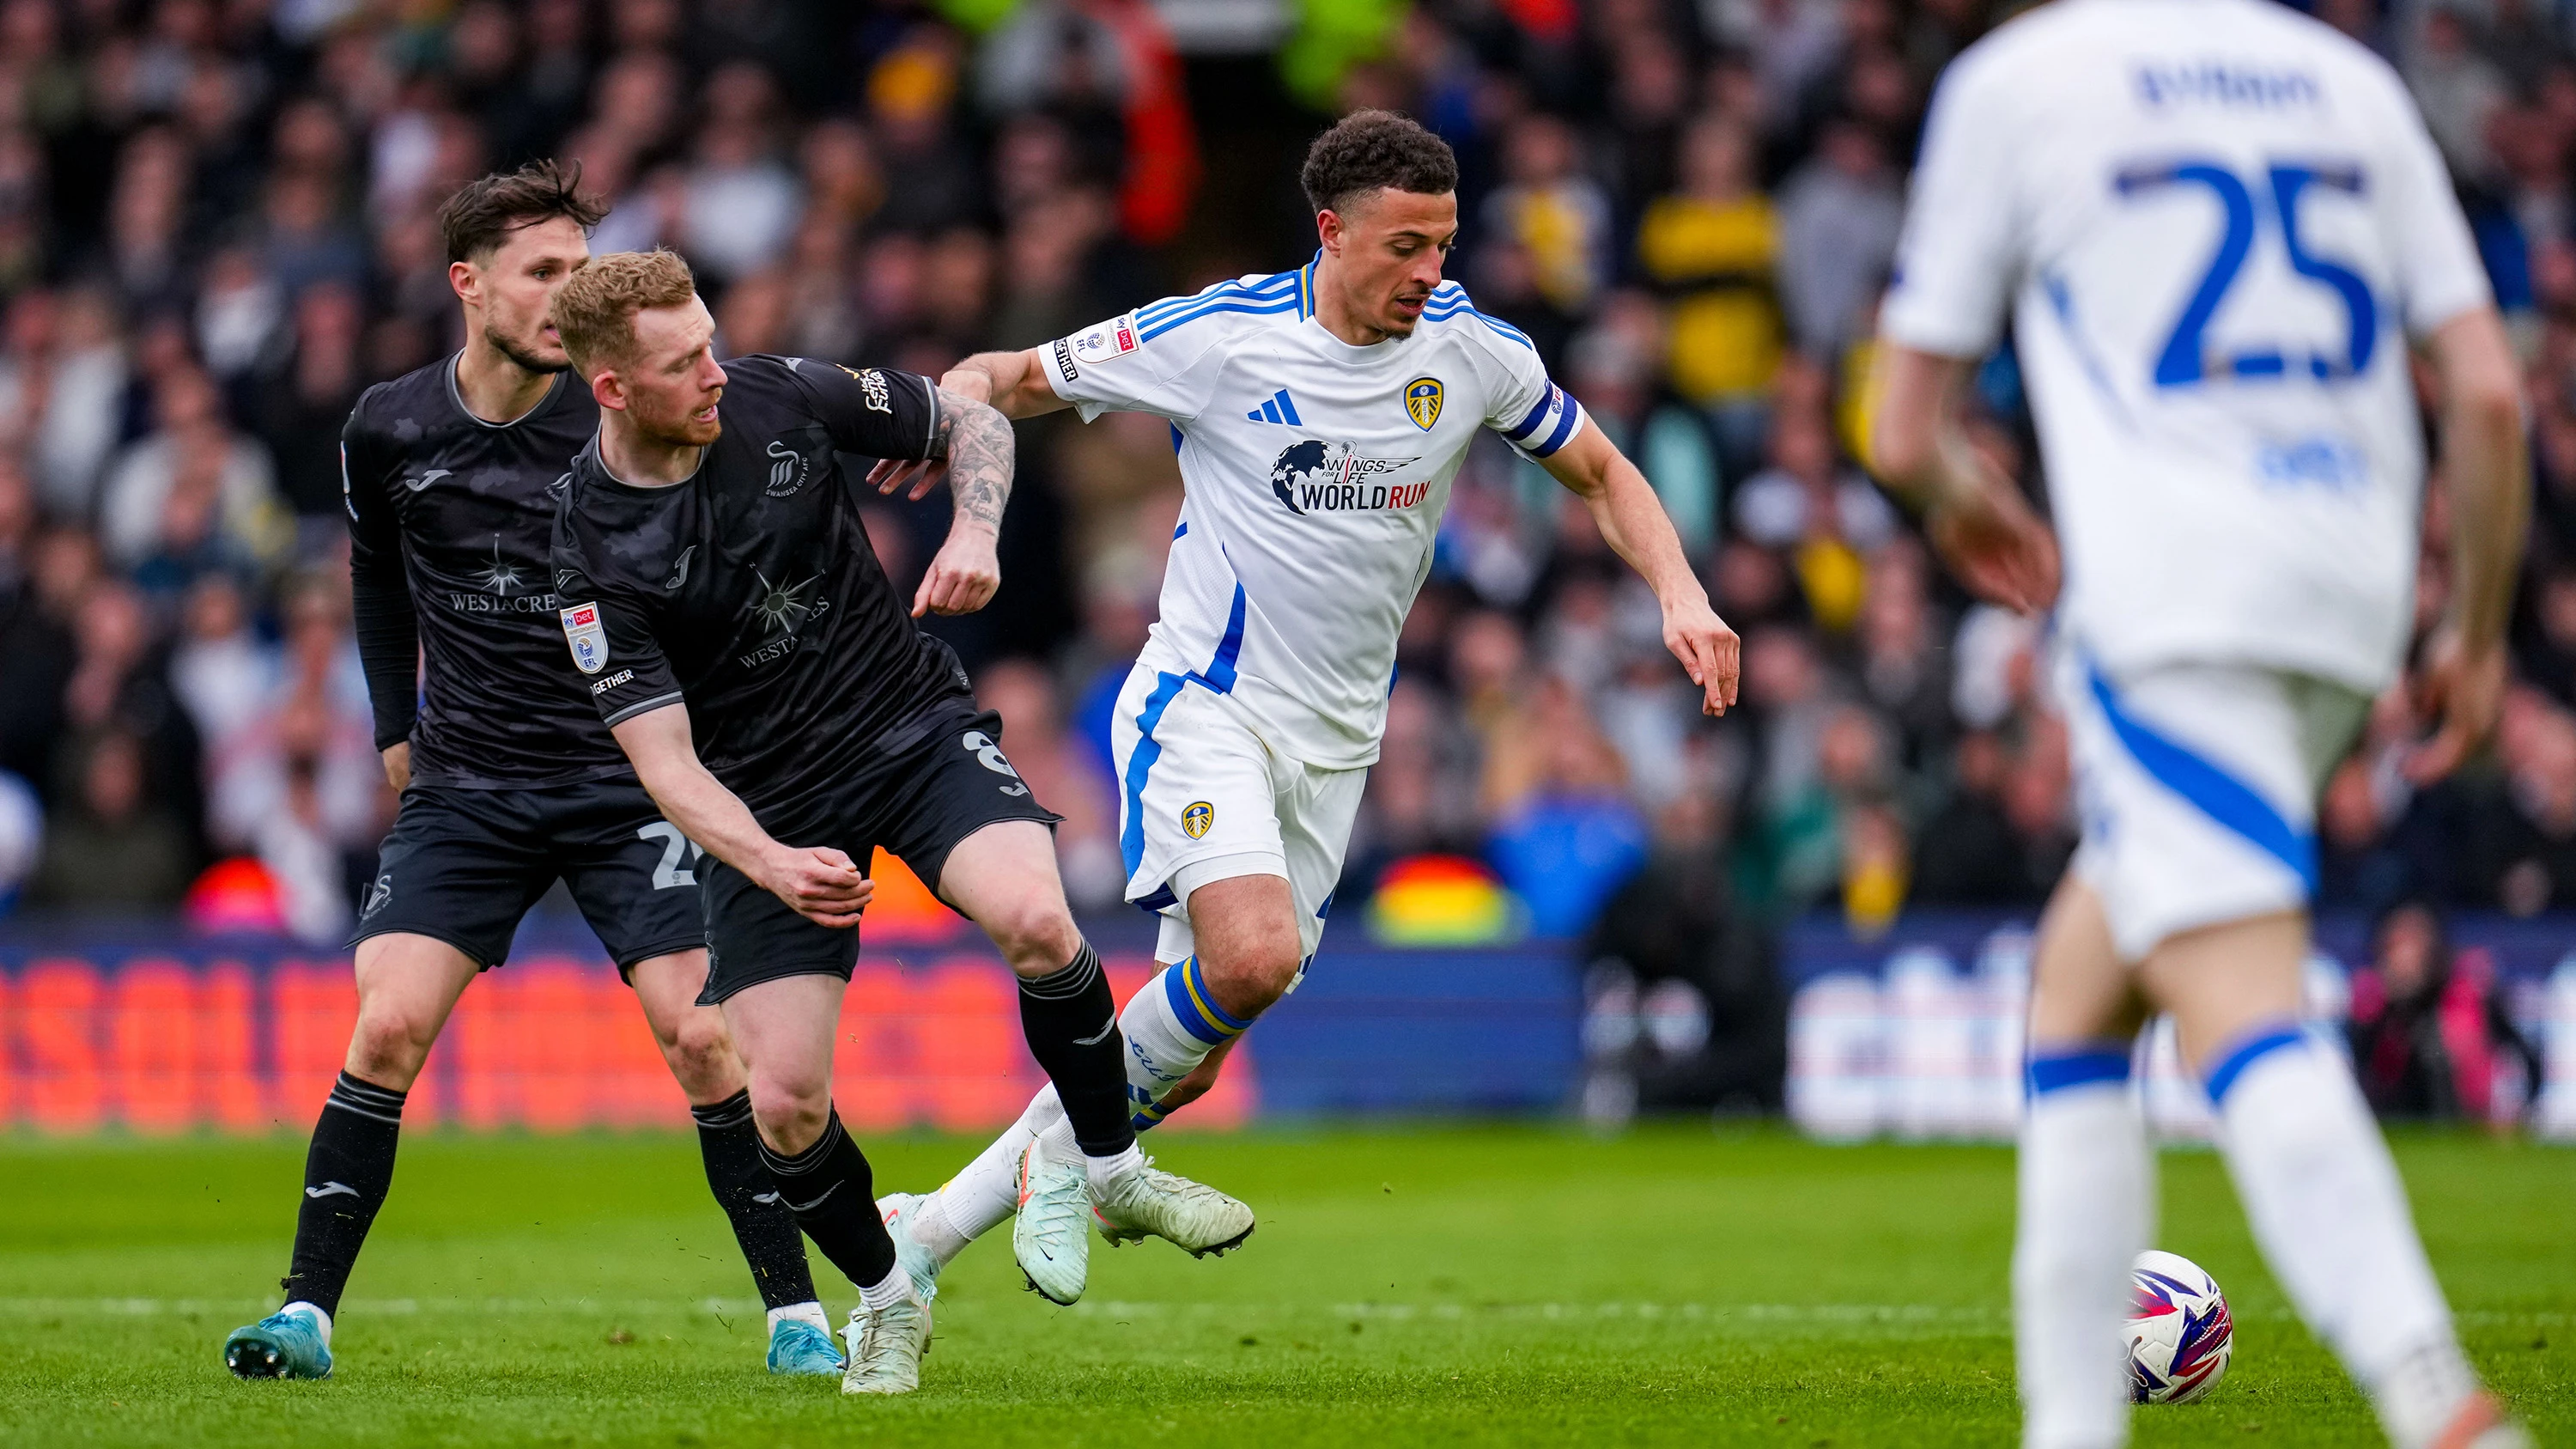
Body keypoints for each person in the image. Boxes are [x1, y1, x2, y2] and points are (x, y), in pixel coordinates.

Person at [868, 109, 1741, 1310]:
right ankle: (1078, 1169)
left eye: (1441, 243)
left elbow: (1600, 467)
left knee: (1201, 1036)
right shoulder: (1219, 335)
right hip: (1206, 704)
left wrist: (1681, 594)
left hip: (1339, 748)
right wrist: (942, 430)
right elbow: (1002, 377)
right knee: (1255, 953)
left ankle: (924, 1236)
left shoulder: (1472, 349)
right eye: (1403, 247)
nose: (1429, 272)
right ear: (1331, 233)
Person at [1868, 3, 2533, 1445]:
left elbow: (1900, 426)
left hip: (2173, 596)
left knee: (2238, 999)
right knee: (2080, 995)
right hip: (2351, 597)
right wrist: (2473, 631)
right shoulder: (2352, 84)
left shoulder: (2022, 83)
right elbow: (2486, 393)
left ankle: (2441, 1403)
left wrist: (1971, 508)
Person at [544, 247, 1247, 1397]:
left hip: (907, 728)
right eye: (682, 364)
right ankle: (887, 1290)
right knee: (780, 1102)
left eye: (710, 342)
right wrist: (770, 859)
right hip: (765, 804)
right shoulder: (585, 541)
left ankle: (1107, 1164)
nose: (714, 374)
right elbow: (664, 765)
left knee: (1035, 915)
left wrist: (976, 532)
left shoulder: (774, 391)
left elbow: (974, 422)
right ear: (613, 387)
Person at [223, 163, 843, 1385]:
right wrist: (395, 727)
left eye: (580, 268)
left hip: (630, 787)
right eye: (544, 273)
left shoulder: (619, 419)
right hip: (471, 786)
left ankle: (798, 1316)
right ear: (471, 284)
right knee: (388, 1022)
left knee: (705, 1040)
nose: (570, 296)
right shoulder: (388, 427)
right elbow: (373, 572)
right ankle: (304, 1314)